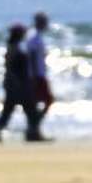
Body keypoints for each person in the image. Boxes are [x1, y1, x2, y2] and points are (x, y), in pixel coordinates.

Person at [0, 24, 32, 143]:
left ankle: (31, 131)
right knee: (21, 107)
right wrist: (18, 82)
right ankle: (32, 131)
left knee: (12, 108)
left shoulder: (13, 47)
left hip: (13, 83)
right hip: (15, 83)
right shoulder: (14, 48)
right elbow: (11, 68)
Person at [24, 10, 56, 141]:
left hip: (38, 74)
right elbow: (30, 57)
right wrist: (35, 76)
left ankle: (34, 129)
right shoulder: (34, 38)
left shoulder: (36, 37)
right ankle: (34, 129)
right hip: (37, 76)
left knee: (38, 102)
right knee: (47, 100)